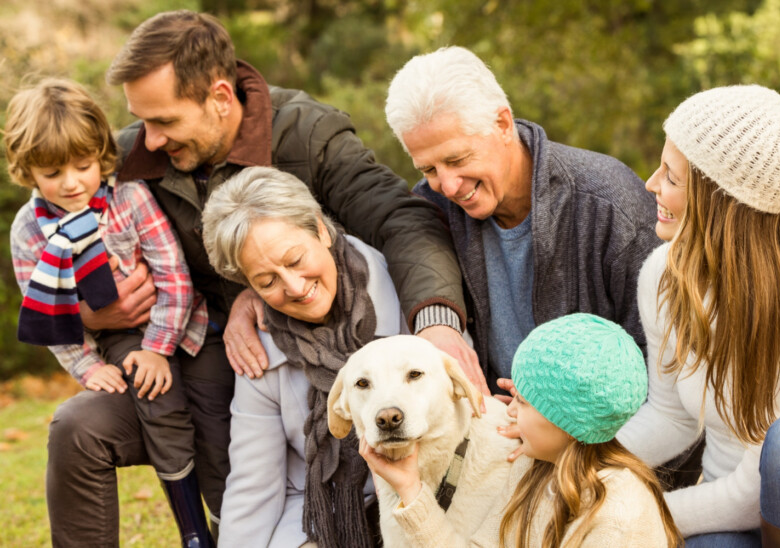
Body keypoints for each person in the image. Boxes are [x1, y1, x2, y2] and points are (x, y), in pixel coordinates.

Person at [45, 10, 470, 543]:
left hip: (280, 363)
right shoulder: (134, 157)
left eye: (166, 122)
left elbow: (401, 219)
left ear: (221, 97)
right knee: (79, 430)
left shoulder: (308, 135)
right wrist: (88, 310)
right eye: (141, 119)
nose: (147, 140)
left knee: (263, 482)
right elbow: (53, 241)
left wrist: (434, 320)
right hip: (183, 365)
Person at [4, 78, 213, 546]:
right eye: (53, 172)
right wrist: (87, 365)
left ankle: (219, 527)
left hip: (186, 328)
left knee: (196, 414)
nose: (72, 183)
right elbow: (49, 314)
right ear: (27, 171)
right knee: (150, 395)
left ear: (102, 154)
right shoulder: (30, 232)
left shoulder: (129, 197)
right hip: (119, 345)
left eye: (83, 165)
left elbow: (174, 276)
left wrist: (159, 347)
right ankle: (193, 533)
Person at [385, 46, 661, 391]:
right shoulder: (430, 205)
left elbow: (663, 370)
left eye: (457, 159)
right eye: (428, 168)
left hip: (603, 440)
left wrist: (556, 430)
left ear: (502, 124)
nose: (448, 185)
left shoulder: (607, 202)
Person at [615, 85, 780, 546]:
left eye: (670, 176)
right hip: (725, 507)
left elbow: (771, 482)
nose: (651, 184)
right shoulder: (663, 276)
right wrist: (585, 466)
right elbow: (671, 416)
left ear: (719, 202)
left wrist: (631, 518)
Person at [200, 166, 407, 547]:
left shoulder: (408, 290)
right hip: (317, 513)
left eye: (294, 260)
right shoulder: (260, 348)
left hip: (416, 501)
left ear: (320, 229)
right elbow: (253, 486)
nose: (294, 287)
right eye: (267, 281)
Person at [361, 313, 682, 547]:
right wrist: (410, 489)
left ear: (565, 422)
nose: (508, 409)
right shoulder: (533, 471)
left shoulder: (619, 520)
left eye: (523, 402)